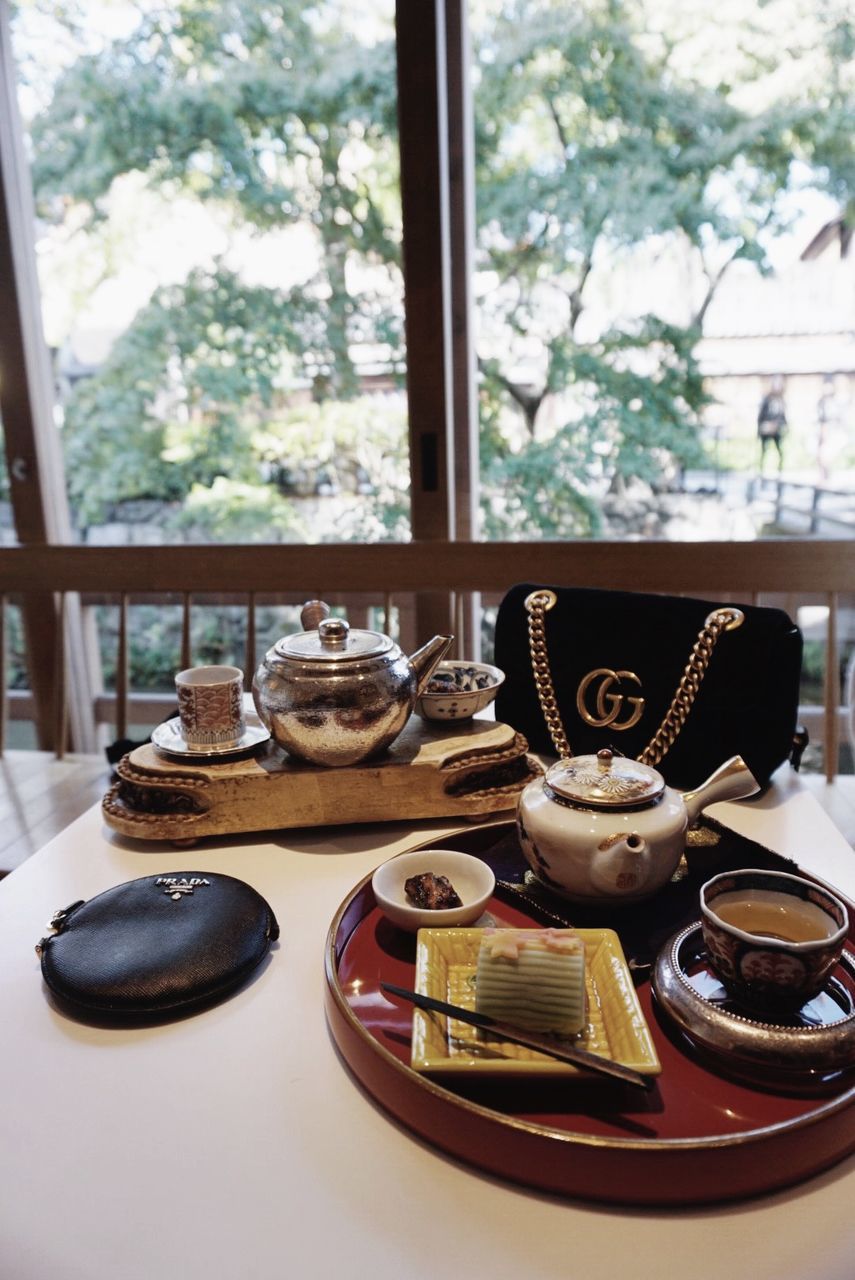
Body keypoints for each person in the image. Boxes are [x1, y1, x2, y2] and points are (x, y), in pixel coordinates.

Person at [757, 377, 787, 472]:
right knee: (763, 451)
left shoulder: (781, 400)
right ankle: (761, 471)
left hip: (776, 430)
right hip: (766, 430)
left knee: (780, 452)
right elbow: (761, 415)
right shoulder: (767, 399)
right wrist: (762, 428)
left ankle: (779, 471)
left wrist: (781, 425)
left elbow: (783, 416)